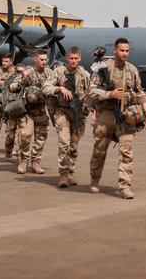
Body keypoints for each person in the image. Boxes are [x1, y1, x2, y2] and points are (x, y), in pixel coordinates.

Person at [87, 38, 146, 199]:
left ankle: (125, 186)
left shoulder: (132, 70)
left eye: (127, 51)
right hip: (106, 115)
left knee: (126, 152)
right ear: (115, 50)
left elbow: (139, 91)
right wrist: (109, 94)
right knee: (99, 150)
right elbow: (92, 91)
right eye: (121, 50)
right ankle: (95, 180)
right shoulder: (104, 68)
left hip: (126, 116)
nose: (124, 53)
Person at [43, 47, 91, 188]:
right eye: (71, 58)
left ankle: (70, 172)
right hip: (62, 111)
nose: (74, 61)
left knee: (74, 146)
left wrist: (93, 110)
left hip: (78, 113)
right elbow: (45, 88)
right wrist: (59, 89)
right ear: (67, 59)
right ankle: (63, 173)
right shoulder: (58, 72)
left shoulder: (84, 74)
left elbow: (92, 92)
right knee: (64, 141)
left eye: (76, 58)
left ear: (80, 59)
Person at [11, 50, 53, 174]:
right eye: (41, 59)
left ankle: (36, 162)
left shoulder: (50, 73)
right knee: (25, 136)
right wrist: (23, 79)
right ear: (35, 59)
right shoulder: (28, 71)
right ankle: (23, 161)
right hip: (27, 111)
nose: (44, 62)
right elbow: (13, 87)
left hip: (41, 111)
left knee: (41, 137)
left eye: (45, 59)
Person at [2, 63, 26, 161]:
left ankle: (19, 154)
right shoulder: (10, 80)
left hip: (23, 110)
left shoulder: (26, 80)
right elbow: (5, 96)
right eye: (18, 71)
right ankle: (8, 152)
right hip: (12, 110)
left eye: (22, 71)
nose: (20, 73)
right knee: (10, 135)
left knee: (22, 134)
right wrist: (5, 111)